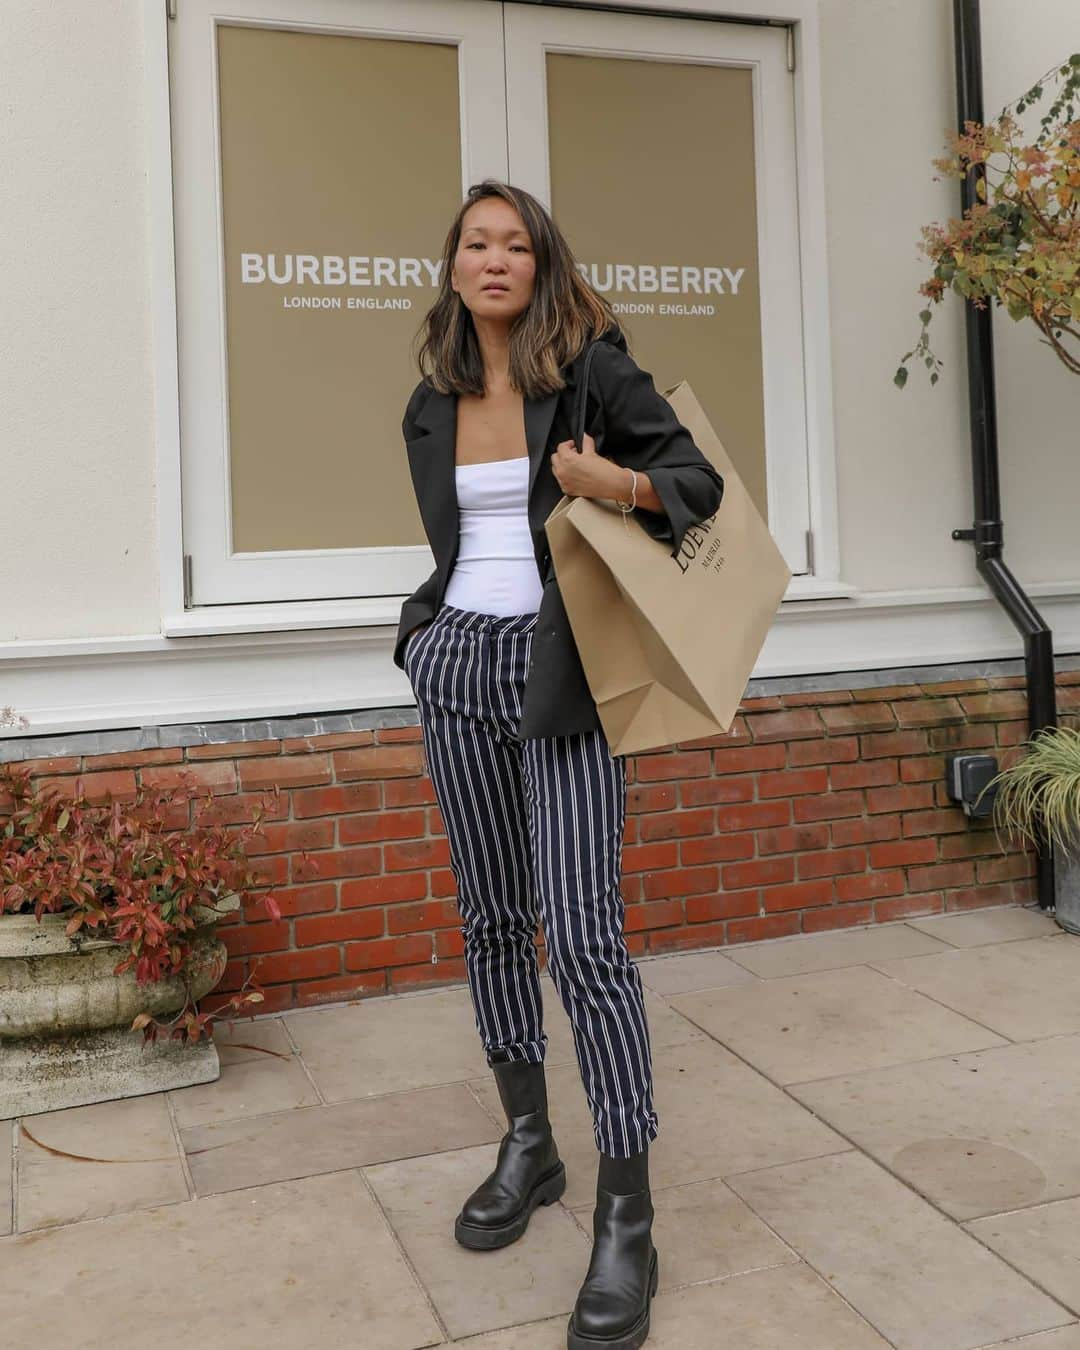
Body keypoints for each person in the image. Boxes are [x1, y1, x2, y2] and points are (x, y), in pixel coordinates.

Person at [394, 179, 724, 1350]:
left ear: (541, 265)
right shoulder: (430, 401)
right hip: (458, 672)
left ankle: (626, 1211)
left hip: (565, 676)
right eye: (475, 243)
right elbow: (464, 543)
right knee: (490, 922)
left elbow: (701, 490)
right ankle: (529, 1144)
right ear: (451, 265)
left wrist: (613, 483)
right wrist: (426, 636)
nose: (494, 261)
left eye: (516, 245)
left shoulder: (592, 372)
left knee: (584, 935)